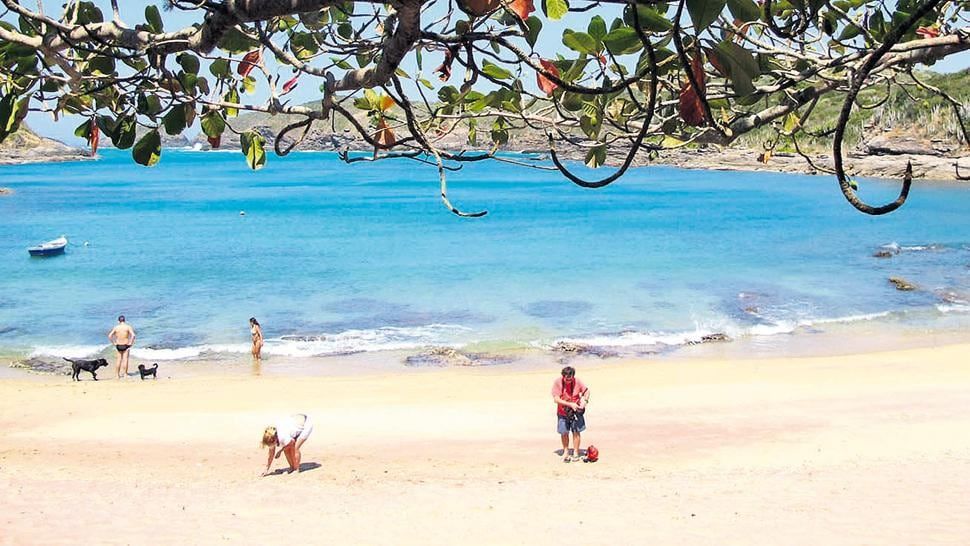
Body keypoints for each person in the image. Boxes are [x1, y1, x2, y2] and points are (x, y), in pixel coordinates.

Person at [551, 366, 590, 462]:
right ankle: (566, 451)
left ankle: (576, 452)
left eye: (570, 379)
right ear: (563, 377)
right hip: (562, 412)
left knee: (576, 431)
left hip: (576, 411)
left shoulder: (577, 381)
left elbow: (587, 391)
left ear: (573, 377)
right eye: (566, 379)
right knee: (564, 432)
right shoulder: (557, 382)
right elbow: (556, 399)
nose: (568, 381)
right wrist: (569, 404)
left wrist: (585, 401)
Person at [107, 315, 136, 380]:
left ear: (118, 321)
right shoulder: (128, 327)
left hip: (118, 345)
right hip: (125, 345)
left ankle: (117, 375)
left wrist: (114, 343)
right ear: (124, 320)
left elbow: (109, 336)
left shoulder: (116, 327)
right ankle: (125, 374)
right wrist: (131, 343)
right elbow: (133, 335)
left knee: (119, 360)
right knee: (125, 360)